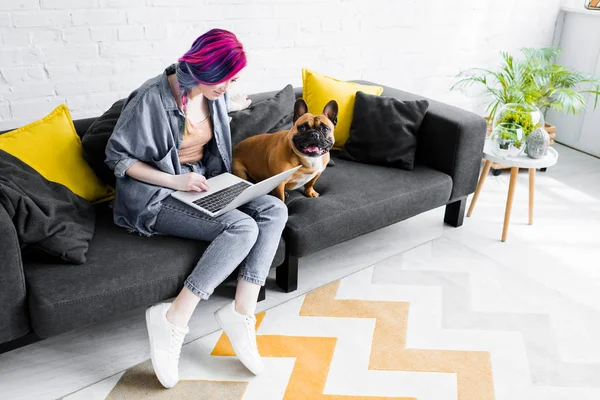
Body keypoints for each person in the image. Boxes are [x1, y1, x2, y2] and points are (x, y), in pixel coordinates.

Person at [104, 29, 288, 389]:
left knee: (274, 211)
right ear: (202, 67)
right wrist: (175, 182)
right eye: (225, 77)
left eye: (234, 77)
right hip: (155, 194)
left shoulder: (212, 93)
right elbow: (117, 158)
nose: (228, 85)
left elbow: (204, 128)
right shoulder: (150, 100)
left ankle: (241, 311)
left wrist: (229, 98)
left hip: (202, 183)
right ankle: (174, 316)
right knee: (242, 228)